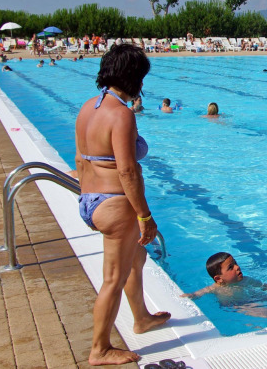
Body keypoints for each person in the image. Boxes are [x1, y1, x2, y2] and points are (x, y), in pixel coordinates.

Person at [74, 44, 169, 365]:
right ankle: (99, 349)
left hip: (90, 200)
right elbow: (127, 170)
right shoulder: (121, 114)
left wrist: (91, 199)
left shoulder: (89, 107)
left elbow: (79, 159)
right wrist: (145, 216)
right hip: (115, 204)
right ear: (133, 78)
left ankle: (141, 317)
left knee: (137, 257)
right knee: (113, 279)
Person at [180, 252, 267, 304]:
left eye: (235, 263)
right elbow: (200, 293)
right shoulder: (215, 288)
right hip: (234, 306)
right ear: (218, 279)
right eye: (231, 267)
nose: (237, 267)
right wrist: (192, 295)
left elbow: (266, 287)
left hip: (250, 299)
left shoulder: (247, 280)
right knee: (265, 314)